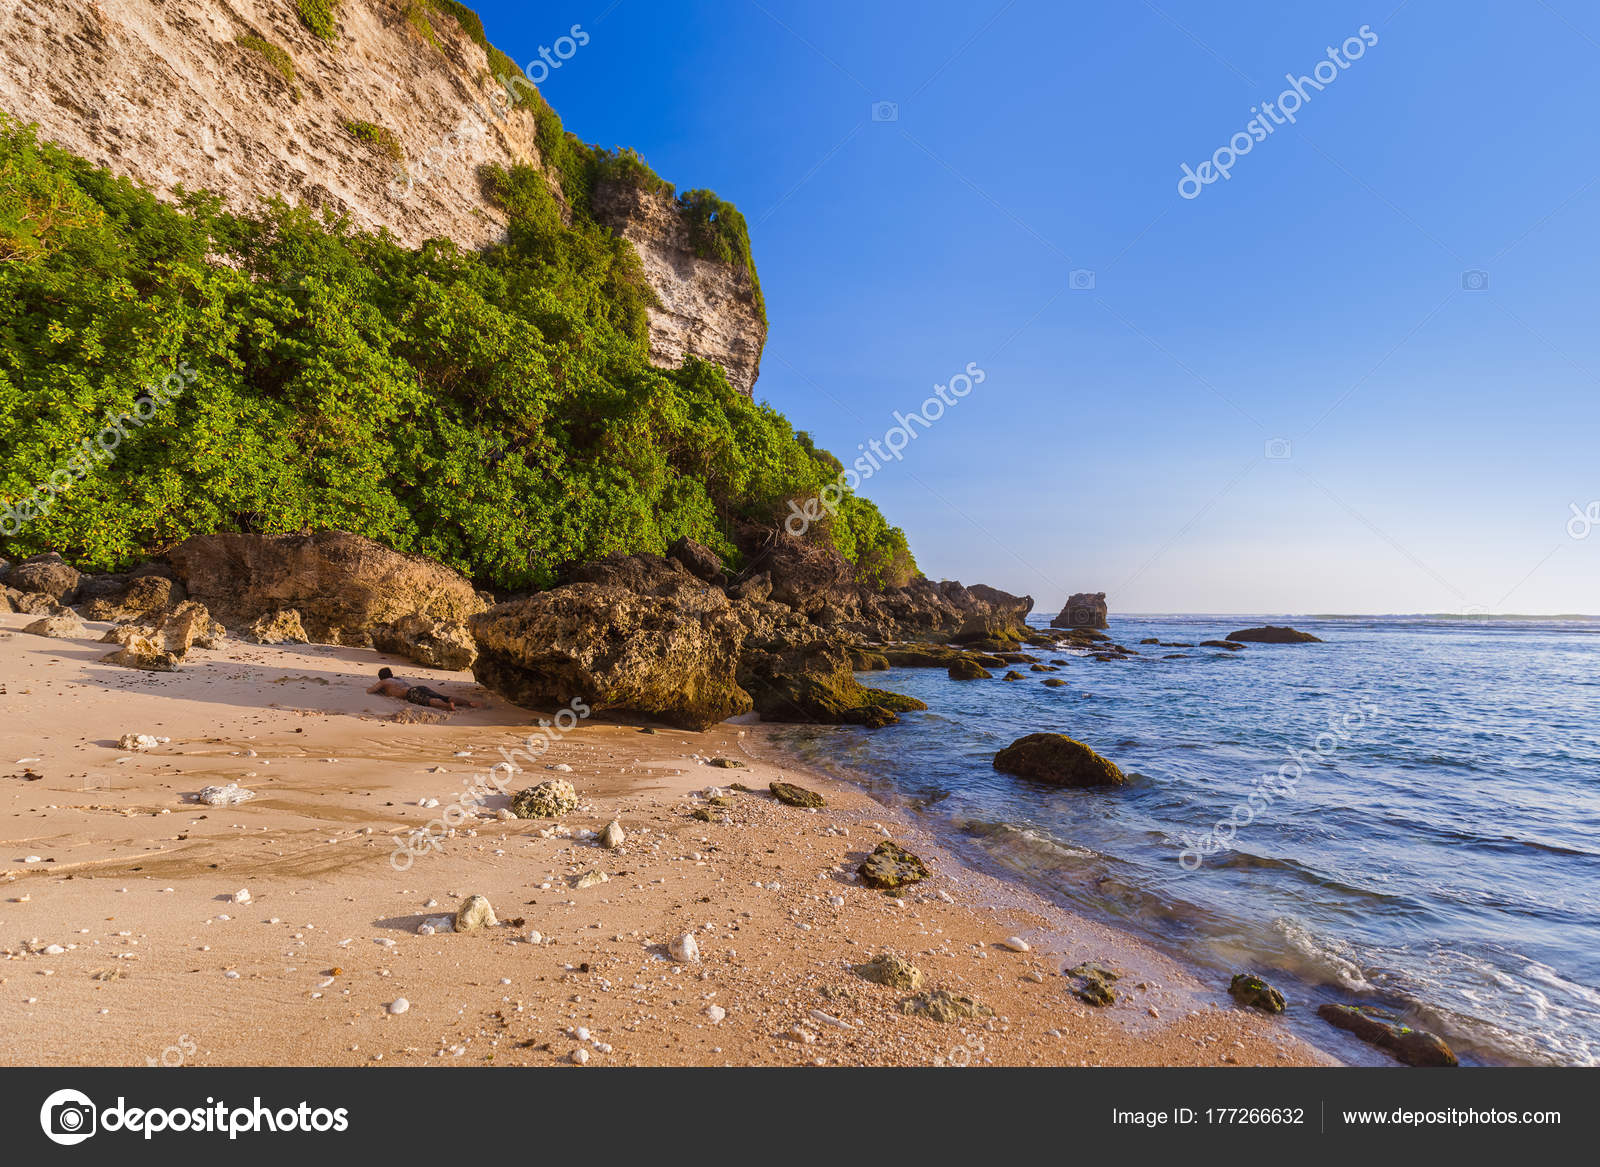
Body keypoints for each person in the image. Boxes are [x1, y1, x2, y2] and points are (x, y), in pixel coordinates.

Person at [367, 667, 480, 712]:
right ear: (391, 674)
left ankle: (447, 706)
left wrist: (379, 688)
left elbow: (370, 691)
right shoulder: (398, 679)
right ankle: (469, 703)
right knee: (443, 697)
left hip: (410, 693)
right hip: (419, 687)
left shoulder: (384, 681)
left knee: (428, 700)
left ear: (381, 677)